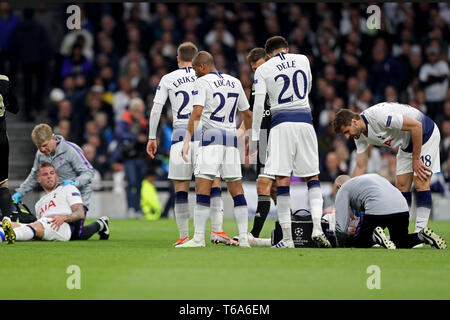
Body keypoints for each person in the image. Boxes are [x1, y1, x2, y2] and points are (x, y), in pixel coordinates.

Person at [147, 42, 237, 246]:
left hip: (181, 134)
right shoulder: (206, 77)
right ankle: (217, 231)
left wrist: (152, 137)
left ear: (178, 59)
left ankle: (183, 236)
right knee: (213, 182)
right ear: (198, 60)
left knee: (181, 187)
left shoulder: (168, 78)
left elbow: (156, 110)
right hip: (206, 134)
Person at [252, 36, 330, 248]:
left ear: (268, 55)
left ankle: (287, 239)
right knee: (312, 177)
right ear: (286, 48)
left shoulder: (264, 69)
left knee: (282, 179)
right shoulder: (303, 59)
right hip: (305, 122)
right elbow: (309, 87)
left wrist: (254, 137)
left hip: (280, 125)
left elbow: (259, 106)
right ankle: (316, 229)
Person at [177, 51, 253, 248]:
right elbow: (247, 114)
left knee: (203, 188)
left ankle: (199, 238)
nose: (193, 73)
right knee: (237, 190)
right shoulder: (235, 81)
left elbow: (197, 113)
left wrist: (186, 140)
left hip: (211, 138)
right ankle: (244, 237)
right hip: (230, 140)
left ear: (202, 67)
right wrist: (242, 132)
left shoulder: (202, 83)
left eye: (194, 69)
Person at [333, 102, 441, 234]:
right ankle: (402, 233)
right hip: (406, 144)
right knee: (401, 186)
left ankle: (420, 233)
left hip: (425, 134)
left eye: (347, 132)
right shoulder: (359, 136)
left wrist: (416, 159)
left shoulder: (379, 116)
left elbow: (416, 126)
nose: (347, 136)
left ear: (354, 122)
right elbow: (361, 166)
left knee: (420, 183)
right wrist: (348, 191)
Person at [12, 123, 109, 240]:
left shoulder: (70, 150)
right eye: (39, 147)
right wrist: (20, 192)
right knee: (64, 232)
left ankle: (101, 224)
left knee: (76, 235)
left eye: (45, 145)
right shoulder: (40, 154)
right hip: (58, 198)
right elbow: (34, 175)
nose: (43, 150)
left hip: (77, 196)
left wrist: (75, 183)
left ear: (52, 138)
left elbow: (89, 172)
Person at [2, 162, 109, 244]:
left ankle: (11, 236)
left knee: (36, 226)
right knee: (10, 224)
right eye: (45, 174)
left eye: (52, 173)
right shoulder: (38, 204)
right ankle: (6, 232)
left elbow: (80, 213)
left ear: (56, 176)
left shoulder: (68, 188)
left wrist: (64, 218)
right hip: (46, 225)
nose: (49, 176)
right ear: (38, 179)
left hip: (62, 226)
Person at [333, 174, 446, 250]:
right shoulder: (366, 179)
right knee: (400, 241)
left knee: (360, 242)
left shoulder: (343, 189)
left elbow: (341, 229)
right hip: (402, 206)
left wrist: (340, 244)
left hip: (378, 206)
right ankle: (422, 236)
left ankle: (374, 237)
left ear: (339, 186)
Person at [236, 47, 275, 247]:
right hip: (263, 137)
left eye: (259, 66)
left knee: (264, 184)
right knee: (274, 188)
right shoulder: (255, 85)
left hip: (277, 136)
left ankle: (254, 233)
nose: (256, 71)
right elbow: (250, 118)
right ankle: (295, 225)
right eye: (253, 68)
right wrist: (236, 136)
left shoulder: (277, 81)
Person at [115, 97, 148, 218]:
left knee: (139, 184)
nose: (140, 113)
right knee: (132, 183)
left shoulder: (144, 122)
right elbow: (119, 135)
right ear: (133, 110)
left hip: (141, 156)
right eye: (138, 111)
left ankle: (138, 209)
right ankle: (130, 208)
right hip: (129, 157)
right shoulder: (124, 122)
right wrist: (136, 138)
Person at [0, 75, 19, 220]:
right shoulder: (4, 81)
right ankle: (7, 220)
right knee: (3, 185)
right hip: (1, 140)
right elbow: (15, 108)